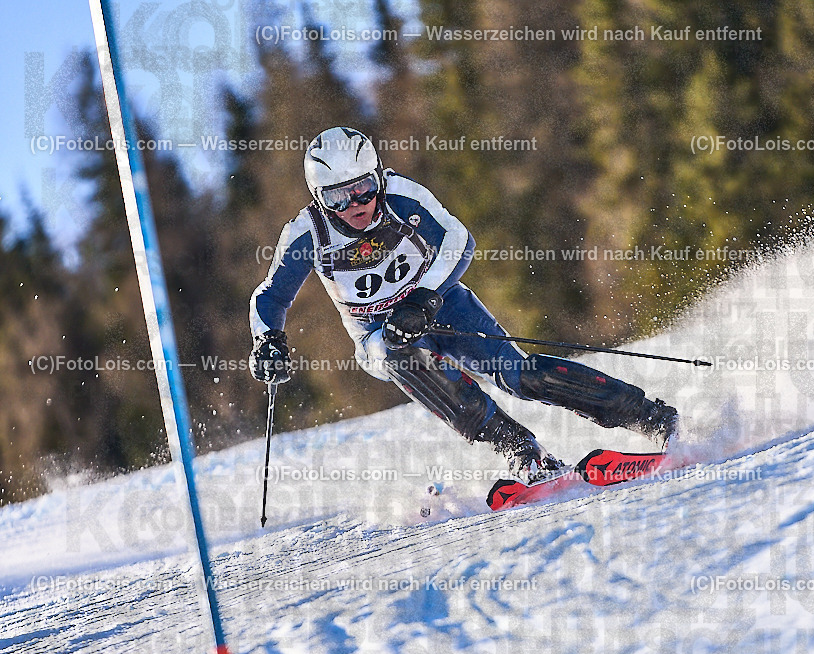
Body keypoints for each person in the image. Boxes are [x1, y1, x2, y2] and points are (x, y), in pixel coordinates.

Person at [249, 127, 678, 483]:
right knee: (397, 353)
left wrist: (424, 298)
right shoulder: (307, 233)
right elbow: (270, 296)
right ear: (318, 198)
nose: (356, 206)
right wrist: (267, 340)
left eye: (362, 190)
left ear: (378, 177)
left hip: (441, 306)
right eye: (337, 198)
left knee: (520, 376)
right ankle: (524, 454)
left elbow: (459, 241)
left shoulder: (403, 196)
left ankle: (651, 418)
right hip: (378, 333)